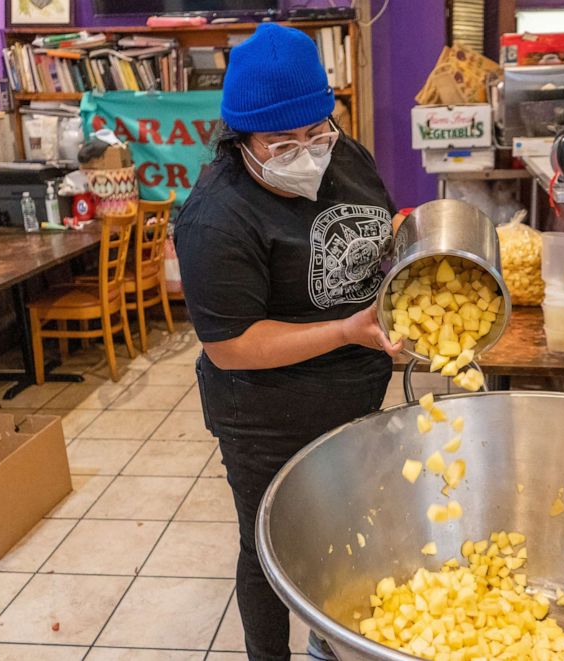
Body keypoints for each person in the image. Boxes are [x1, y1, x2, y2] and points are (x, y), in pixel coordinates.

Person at [173, 23, 403, 661]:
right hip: (266, 414)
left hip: (354, 394)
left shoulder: (343, 153)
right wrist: (349, 329)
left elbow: (376, 232)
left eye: (316, 133)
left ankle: (336, 642)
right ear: (241, 138)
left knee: (346, 529)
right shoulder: (216, 217)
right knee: (269, 545)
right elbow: (232, 346)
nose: (308, 152)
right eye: (281, 143)